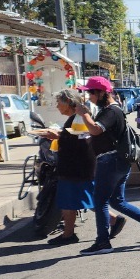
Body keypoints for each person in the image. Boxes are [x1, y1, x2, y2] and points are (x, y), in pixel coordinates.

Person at [73, 76, 140, 255]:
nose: (90, 97)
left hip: (111, 161)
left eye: (91, 93)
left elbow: (96, 129)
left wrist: (84, 113)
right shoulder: (111, 110)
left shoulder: (111, 111)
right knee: (117, 201)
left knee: (100, 201)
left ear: (101, 93)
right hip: (117, 161)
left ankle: (103, 242)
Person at [36, 88, 102, 246]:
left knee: (77, 199)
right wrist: (59, 135)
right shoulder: (75, 118)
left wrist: (57, 136)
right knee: (74, 200)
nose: (57, 106)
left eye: (59, 103)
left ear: (68, 103)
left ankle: (70, 233)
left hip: (76, 166)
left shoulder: (79, 118)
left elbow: (80, 141)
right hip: (76, 166)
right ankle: (69, 233)